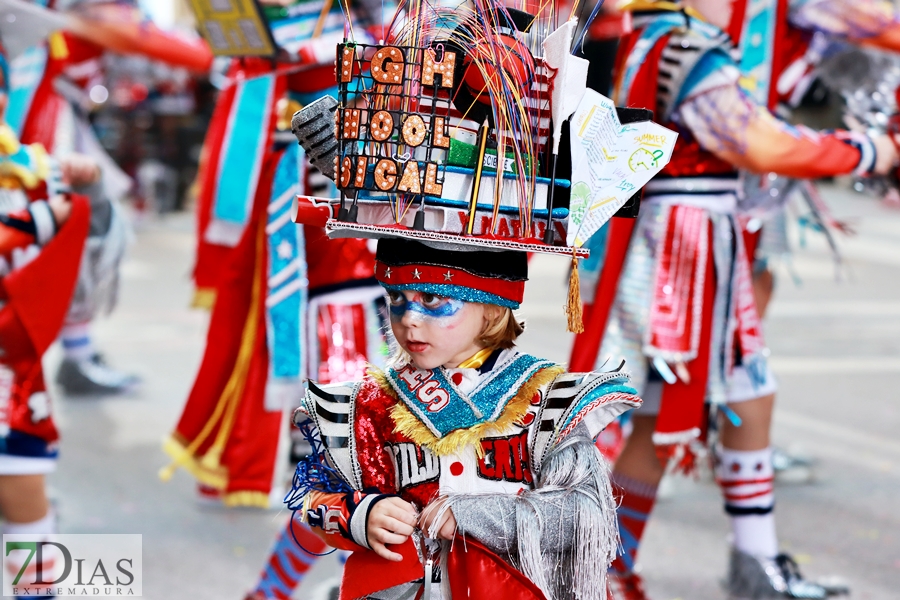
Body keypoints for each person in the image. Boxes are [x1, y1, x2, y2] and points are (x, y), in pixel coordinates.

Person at [567, 1, 900, 598]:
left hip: (692, 238)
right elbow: (761, 144)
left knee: (715, 402)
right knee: (670, 412)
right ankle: (606, 567)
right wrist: (869, 151)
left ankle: (724, 561)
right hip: (686, 248)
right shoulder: (686, 47)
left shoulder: (656, 34)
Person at [289, 238, 641, 600]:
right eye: (396, 297)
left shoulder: (547, 401)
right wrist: (363, 516)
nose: (409, 319)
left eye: (431, 299)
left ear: (490, 307)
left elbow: (586, 518)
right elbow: (314, 503)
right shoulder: (372, 403)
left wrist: (474, 516)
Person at [0, 37, 98, 593]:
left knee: (22, 479)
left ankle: (37, 585)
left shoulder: (15, 157)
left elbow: (44, 172)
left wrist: (72, 179)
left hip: (8, 352)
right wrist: (37, 221)